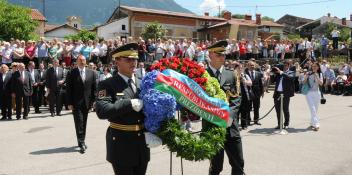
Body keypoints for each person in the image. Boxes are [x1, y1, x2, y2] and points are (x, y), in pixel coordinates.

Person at [95, 43, 150, 175]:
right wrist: (129, 104)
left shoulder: (143, 82)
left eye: (135, 59)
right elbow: (102, 110)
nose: (133, 62)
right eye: (128, 59)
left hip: (142, 143)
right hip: (121, 144)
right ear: (117, 61)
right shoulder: (107, 84)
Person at [205, 40, 244, 175]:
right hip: (212, 127)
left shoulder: (231, 74)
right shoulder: (202, 75)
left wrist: (230, 115)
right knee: (216, 167)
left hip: (231, 127)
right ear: (210, 54)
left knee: (238, 163)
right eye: (219, 54)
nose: (223, 57)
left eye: (224, 55)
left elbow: (237, 98)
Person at [66, 55, 96, 154]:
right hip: (76, 102)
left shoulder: (91, 73)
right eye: (80, 60)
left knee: (84, 122)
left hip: (87, 102)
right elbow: (69, 89)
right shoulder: (71, 73)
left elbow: (94, 89)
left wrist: (94, 101)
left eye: (84, 60)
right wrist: (69, 103)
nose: (82, 62)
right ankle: (82, 142)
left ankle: (81, 140)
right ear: (77, 62)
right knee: (79, 121)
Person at [272, 61, 295, 129]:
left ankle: (286, 124)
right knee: (278, 110)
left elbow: (290, 78)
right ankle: (279, 124)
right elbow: (272, 80)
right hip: (277, 93)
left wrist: (281, 72)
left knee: (285, 109)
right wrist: (272, 73)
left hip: (285, 94)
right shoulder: (279, 73)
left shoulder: (291, 72)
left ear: (288, 66)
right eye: (283, 65)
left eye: (286, 65)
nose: (284, 67)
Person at [303, 62, 323, 131]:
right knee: (313, 109)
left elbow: (321, 84)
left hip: (317, 93)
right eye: (313, 66)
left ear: (318, 67)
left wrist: (317, 76)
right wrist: (306, 76)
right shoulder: (308, 73)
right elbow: (303, 82)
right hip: (309, 93)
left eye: (315, 66)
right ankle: (316, 124)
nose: (314, 67)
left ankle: (312, 122)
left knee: (315, 110)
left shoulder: (320, 74)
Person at [245, 61, 264, 125]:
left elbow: (261, 84)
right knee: (248, 107)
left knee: (256, 107)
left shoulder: (258, 73)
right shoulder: (245, 73)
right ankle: (248, 120)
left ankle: (256, 120)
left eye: (253, 65)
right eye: (250, 65)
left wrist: (262, 92)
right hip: (248, 93)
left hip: (257, 93)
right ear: (247, 66)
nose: (252, 66)